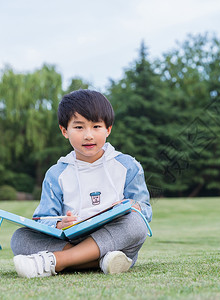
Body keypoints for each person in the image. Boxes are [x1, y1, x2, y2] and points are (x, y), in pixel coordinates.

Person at [11, 89, 152, 278]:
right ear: (64, 131)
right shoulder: (56, 173)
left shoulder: (128, 165)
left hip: (114, 239)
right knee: (20, 237)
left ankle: (57, 261)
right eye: (79, 127)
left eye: (96, 127)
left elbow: (145, 211)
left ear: (108, 129)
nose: (88, 135)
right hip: (74, 239)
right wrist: (60, 224)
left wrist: (130, 206)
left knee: (136, 224)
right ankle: (100, 261)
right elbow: (43, 218)